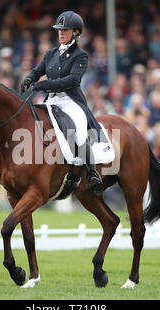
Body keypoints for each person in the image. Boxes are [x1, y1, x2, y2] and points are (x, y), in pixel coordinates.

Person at [20, 11, 104, 196]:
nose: (60, 33)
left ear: (75, 32)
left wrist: (42, 84)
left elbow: (72, 80)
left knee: (79, 131)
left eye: (65, 30)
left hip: (70, 100)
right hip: (51, 100)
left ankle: (92, 172)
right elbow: (37, 70)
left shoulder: (80, 55)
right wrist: (28, 79)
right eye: (59, 30)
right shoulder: (50, 53)